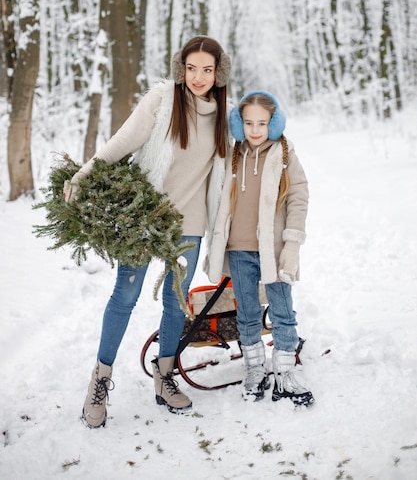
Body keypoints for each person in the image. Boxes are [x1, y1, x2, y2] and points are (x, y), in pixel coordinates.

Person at [64, 35, 232, 426]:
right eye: (191, 69)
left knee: (176, 302)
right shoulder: (160, 101)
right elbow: (125, 140)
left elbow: (257, 146)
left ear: (218, 73)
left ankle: (165, 374)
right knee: (125, 295)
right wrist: (88, 169)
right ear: (181, 69)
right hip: (147, 217)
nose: (198, 77)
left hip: (189, 225)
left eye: (207, 70)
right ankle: (100, 381)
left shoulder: (227, 117)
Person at [207, 91, 314, 407]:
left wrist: (292, 244)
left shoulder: (283, 154)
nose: (255, 130)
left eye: (263, 123)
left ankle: (284, 372)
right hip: (238, 248)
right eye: (249, 123)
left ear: (275, 122)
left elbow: (299, 195)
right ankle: (254, 367)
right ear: (239, 124)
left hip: (274, 249)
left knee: (282, 310)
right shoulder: (233, 152)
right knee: (247, 312)